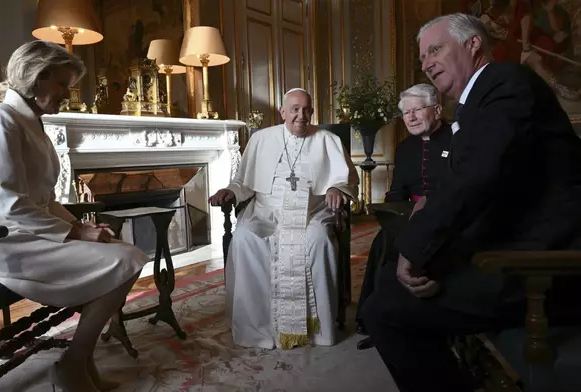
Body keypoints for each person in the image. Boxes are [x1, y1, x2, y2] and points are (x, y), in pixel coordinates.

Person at [361, 13, 581, 392]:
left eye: (436, 49)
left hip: (543, 266)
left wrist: (416, 247)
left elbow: (478, 176)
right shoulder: (478, 100)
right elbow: (490, 172)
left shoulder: (505, 81)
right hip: (515, 248)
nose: (427, 62)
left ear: (473, 44)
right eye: (423, 56)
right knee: (387, 283)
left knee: (385, 310)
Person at [0, 40, 148, 392]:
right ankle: (74, 365)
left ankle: (78, 360)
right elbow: (12, 204)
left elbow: (45, 199)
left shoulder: (33, 124)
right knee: (128, 260)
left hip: (27, 233)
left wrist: (79, 225)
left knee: (127, 255)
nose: (67, 92)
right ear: (36, 78)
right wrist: (76, 234)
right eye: (62, 83)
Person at [209, 88, 359, 350]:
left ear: (312, 111)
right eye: (295, 109)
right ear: (282, 112)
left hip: (311, 211)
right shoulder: (261, 139)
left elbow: (345, 180)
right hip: (266, 211)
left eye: (307, 110)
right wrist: (230, 191)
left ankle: (319, 327)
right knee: (244, 239)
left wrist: (337, 189)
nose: (301, 116)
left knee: (318, 240)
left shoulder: (327, 139)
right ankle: (258, 326)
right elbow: (244, 182)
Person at [355, 83, 452, 348]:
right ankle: (376, 320)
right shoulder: (404, 148)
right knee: (382, 244)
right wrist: (392, 214)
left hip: (448, 216)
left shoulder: (458, 139)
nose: (410, 117)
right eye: (406, 112)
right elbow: (397, 191)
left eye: (417, 110)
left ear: (437, 110)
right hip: (409, 216)